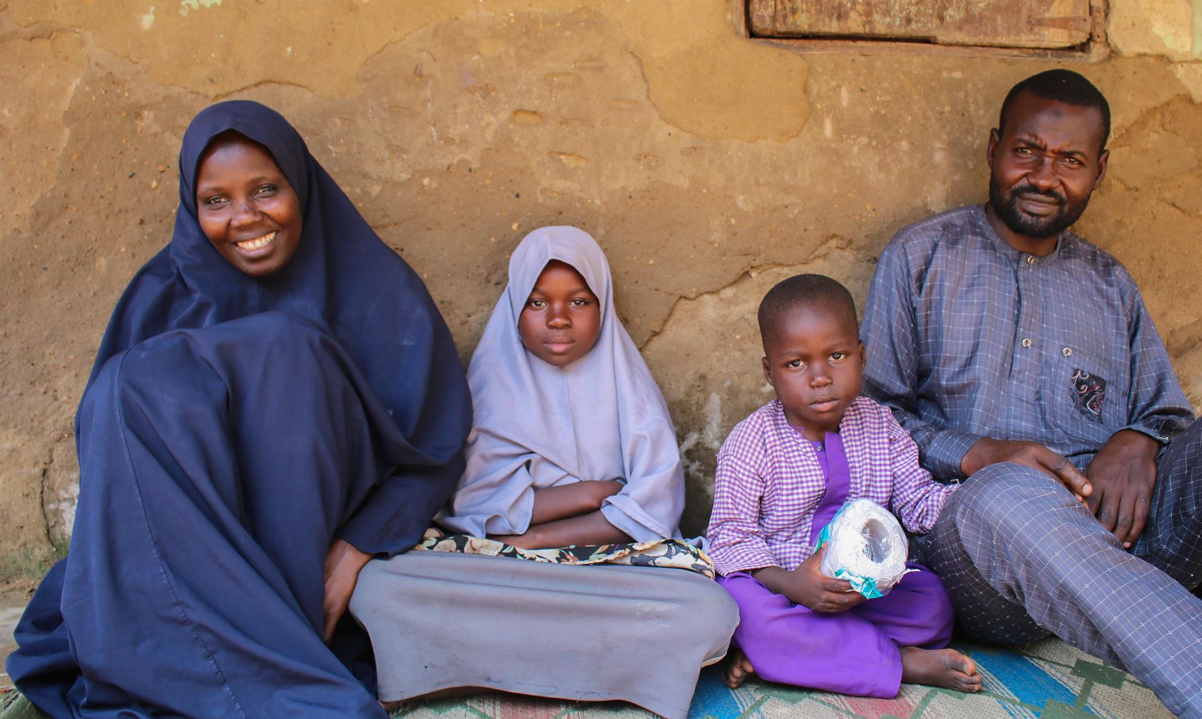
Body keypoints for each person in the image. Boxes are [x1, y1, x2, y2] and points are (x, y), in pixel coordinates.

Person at [5, 101, 472, 719]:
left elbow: (433, 452)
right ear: (192, 208)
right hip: (200, 539)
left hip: (304, 539)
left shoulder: (379, 295)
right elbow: (119, 462)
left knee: (287, 347)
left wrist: (359, 545)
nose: (245, 217)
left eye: (265, 189)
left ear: (299, 187)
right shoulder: (158, 298)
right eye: (216, 200)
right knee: (131, 379)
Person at [861, 68, 1202, 719]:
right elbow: (869, 416)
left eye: (1071, 160)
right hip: (985, 559)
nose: (1044, 175)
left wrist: (1136, 439)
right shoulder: (921, 258)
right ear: (995, 147)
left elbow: (1167, 414)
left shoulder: (1110, 283)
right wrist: (977, 453)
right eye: (1027, 150)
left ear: (1099, 169)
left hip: (1122, 529)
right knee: (1008, 488)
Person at [349, 226, 737, 719]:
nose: (557, 319)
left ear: (603, 305)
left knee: (709, 608)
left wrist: (536, 542)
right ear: (514, 308)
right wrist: (592, 492)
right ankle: (590, 667)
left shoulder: (629, 388)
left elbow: (650, 510)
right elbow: (475, 506)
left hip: (605, 569)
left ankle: (475, 661)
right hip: (498, 565)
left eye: (578, 302)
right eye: (537, 303)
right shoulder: (489, 384)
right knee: (382, 583)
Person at [706, 274, 980, 698]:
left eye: (836, 355)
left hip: (860, 591)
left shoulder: (880, 425)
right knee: (740, 608)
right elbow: (729, 535)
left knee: (934, 605)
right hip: (779, 586)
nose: (819, 377)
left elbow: (920, 503)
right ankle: (901, 661)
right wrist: (791, 584)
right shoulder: (752, 440)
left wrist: (986, 494)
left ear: (861, 355)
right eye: (796, 363)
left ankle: (796, 654)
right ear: (769, 371)